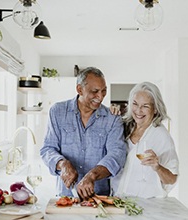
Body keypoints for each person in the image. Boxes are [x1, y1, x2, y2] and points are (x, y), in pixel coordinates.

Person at [40, 67, 127, 200]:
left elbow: (117, 155)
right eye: (95, 91)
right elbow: (48, 149)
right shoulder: (57, 112)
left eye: (104, 91)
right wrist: (62, 164)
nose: (101, 96)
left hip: (99, 197)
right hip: (66, 196)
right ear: (79, 89)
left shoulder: (113, 118)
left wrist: (92, 176)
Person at [111, 81, 179, 198]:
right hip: (117, 199)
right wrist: (109, 115)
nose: (138, 110)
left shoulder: (161, 136)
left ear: (155, 109)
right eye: (135, 104)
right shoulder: (123, 126)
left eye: (145, 106)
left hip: (146, 205)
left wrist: (158, 167)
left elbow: (171, 179)